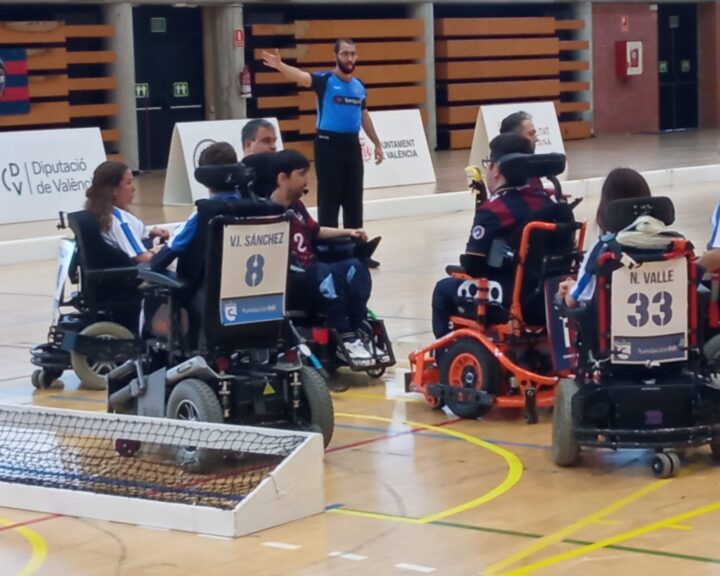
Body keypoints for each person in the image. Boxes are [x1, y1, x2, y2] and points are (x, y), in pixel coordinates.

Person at [432, 134, 553, 338]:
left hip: (508, 298)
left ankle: (445, 352)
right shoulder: (550, 203)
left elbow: (474, 266)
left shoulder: (495, 210)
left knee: (443, 289)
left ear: (496, 169)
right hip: (550, 296)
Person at [261, 38, 384, 233]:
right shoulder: (324, 81)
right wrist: (280, 66)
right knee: (329, 198)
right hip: (328, 146)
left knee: (354, 197)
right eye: (345, 53)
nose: (349, 58)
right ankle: (328, 244)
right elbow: (301, 76)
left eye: (352, 54)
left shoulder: (359, 86)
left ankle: (356, 243)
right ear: (336, 56)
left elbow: (363, 115)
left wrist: (376, 143)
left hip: (352, 145)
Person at [268, 149, 375, 365]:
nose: (306, 181)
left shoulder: (297, 207)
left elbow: (316, 231)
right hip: (292, 277)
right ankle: (345, 337)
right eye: (301, 174)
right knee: (323, 272)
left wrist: (349, 231)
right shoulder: (267, 212)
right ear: (282, 178)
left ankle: (358, 326)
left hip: (313, 270)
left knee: (355, 267)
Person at [557, 168, 652, 308]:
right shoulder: (670, 244)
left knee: (559, 295)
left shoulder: (603, 249)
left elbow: (573, 299)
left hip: (610, 320)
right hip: (668, 320)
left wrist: (570, 286)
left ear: (606, 207)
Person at [85, 160, 168, 263]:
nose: (133, 188)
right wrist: (159, 250)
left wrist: (150, 234)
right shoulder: (119, 222)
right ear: (113, 190)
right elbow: (143, 258)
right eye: (128, 183)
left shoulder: (99, 212)